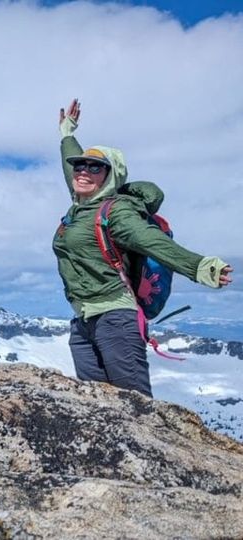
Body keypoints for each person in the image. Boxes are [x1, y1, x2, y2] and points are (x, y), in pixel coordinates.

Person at [53, 99, 233, 397]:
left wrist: (199, 266)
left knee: (135, 409)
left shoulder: (117, 212)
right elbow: (70, 166)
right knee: (97, 407)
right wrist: (67, 135)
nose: (82, 171)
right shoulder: (81, 205)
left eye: (95, 167)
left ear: (111, 177)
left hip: (116, 321)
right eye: (80, 165)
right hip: (83, 323)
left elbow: (153, 242)